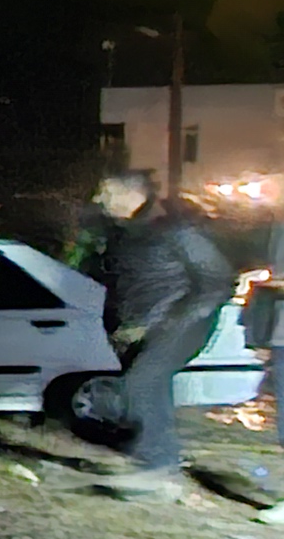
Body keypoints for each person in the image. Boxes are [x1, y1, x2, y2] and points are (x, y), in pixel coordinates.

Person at [89, 170, 233, 495]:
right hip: (138, 328)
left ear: (132, 194)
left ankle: (155, 468)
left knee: (142, 384)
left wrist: (170, 324)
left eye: (106, 191)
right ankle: (160, 465)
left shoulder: (176, 230)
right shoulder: (122, 235)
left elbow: (218, 282)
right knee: (143, 391)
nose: (99, 199)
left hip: (178, 324)